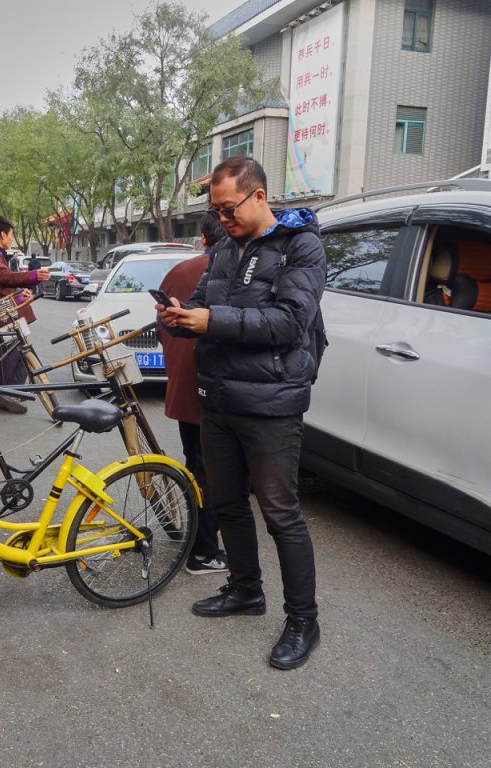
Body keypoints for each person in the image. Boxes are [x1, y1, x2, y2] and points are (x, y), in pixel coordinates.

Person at [157, 156, 326, 670]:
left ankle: (303, 620)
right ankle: (245, 590)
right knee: (227, 502)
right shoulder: (225, 250)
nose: (221, 219)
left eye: (228, 209)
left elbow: (288, 322)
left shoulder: (302, 246)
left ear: (257, 197)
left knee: (280, 513)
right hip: (220, 397)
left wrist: (211, 319)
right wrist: (181, 317)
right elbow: (205, 305)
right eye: (216, 211)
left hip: (272, 403)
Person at [156, 212, 228, 576]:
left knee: (195, 464)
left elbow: (161, 324)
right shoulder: (230, 269)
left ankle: (196, 539)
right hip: (214, 389)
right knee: (213, 473)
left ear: (202, 237)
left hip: (182, 385)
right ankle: (203, 550)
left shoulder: (179, 271)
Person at [0, 216, 49, 414]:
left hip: (4, 308)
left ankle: (10, 393)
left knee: (16, 349)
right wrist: (32, 276)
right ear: (3, 234)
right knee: (11, 350)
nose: (12, 239)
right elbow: (4, 277)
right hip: (1, 312)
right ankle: (5, 393)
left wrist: (19, 291)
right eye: (11, 235)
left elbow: (3, 282)